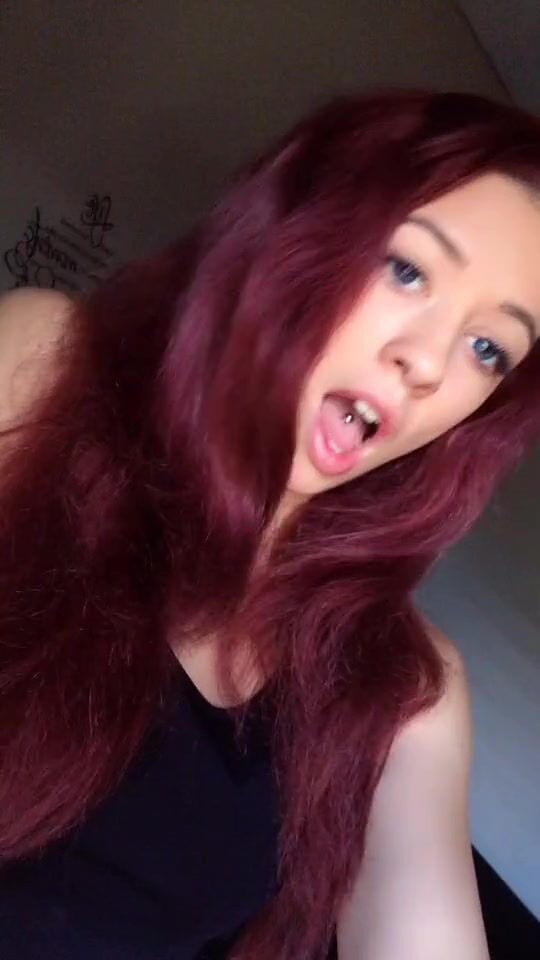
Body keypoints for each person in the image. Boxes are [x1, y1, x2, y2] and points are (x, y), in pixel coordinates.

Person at [1, 89, 540, 960]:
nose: (428, 363)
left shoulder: (405, 689)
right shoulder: (43, 370)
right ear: (297, 230)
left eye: (489, 350)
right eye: (407, 270)